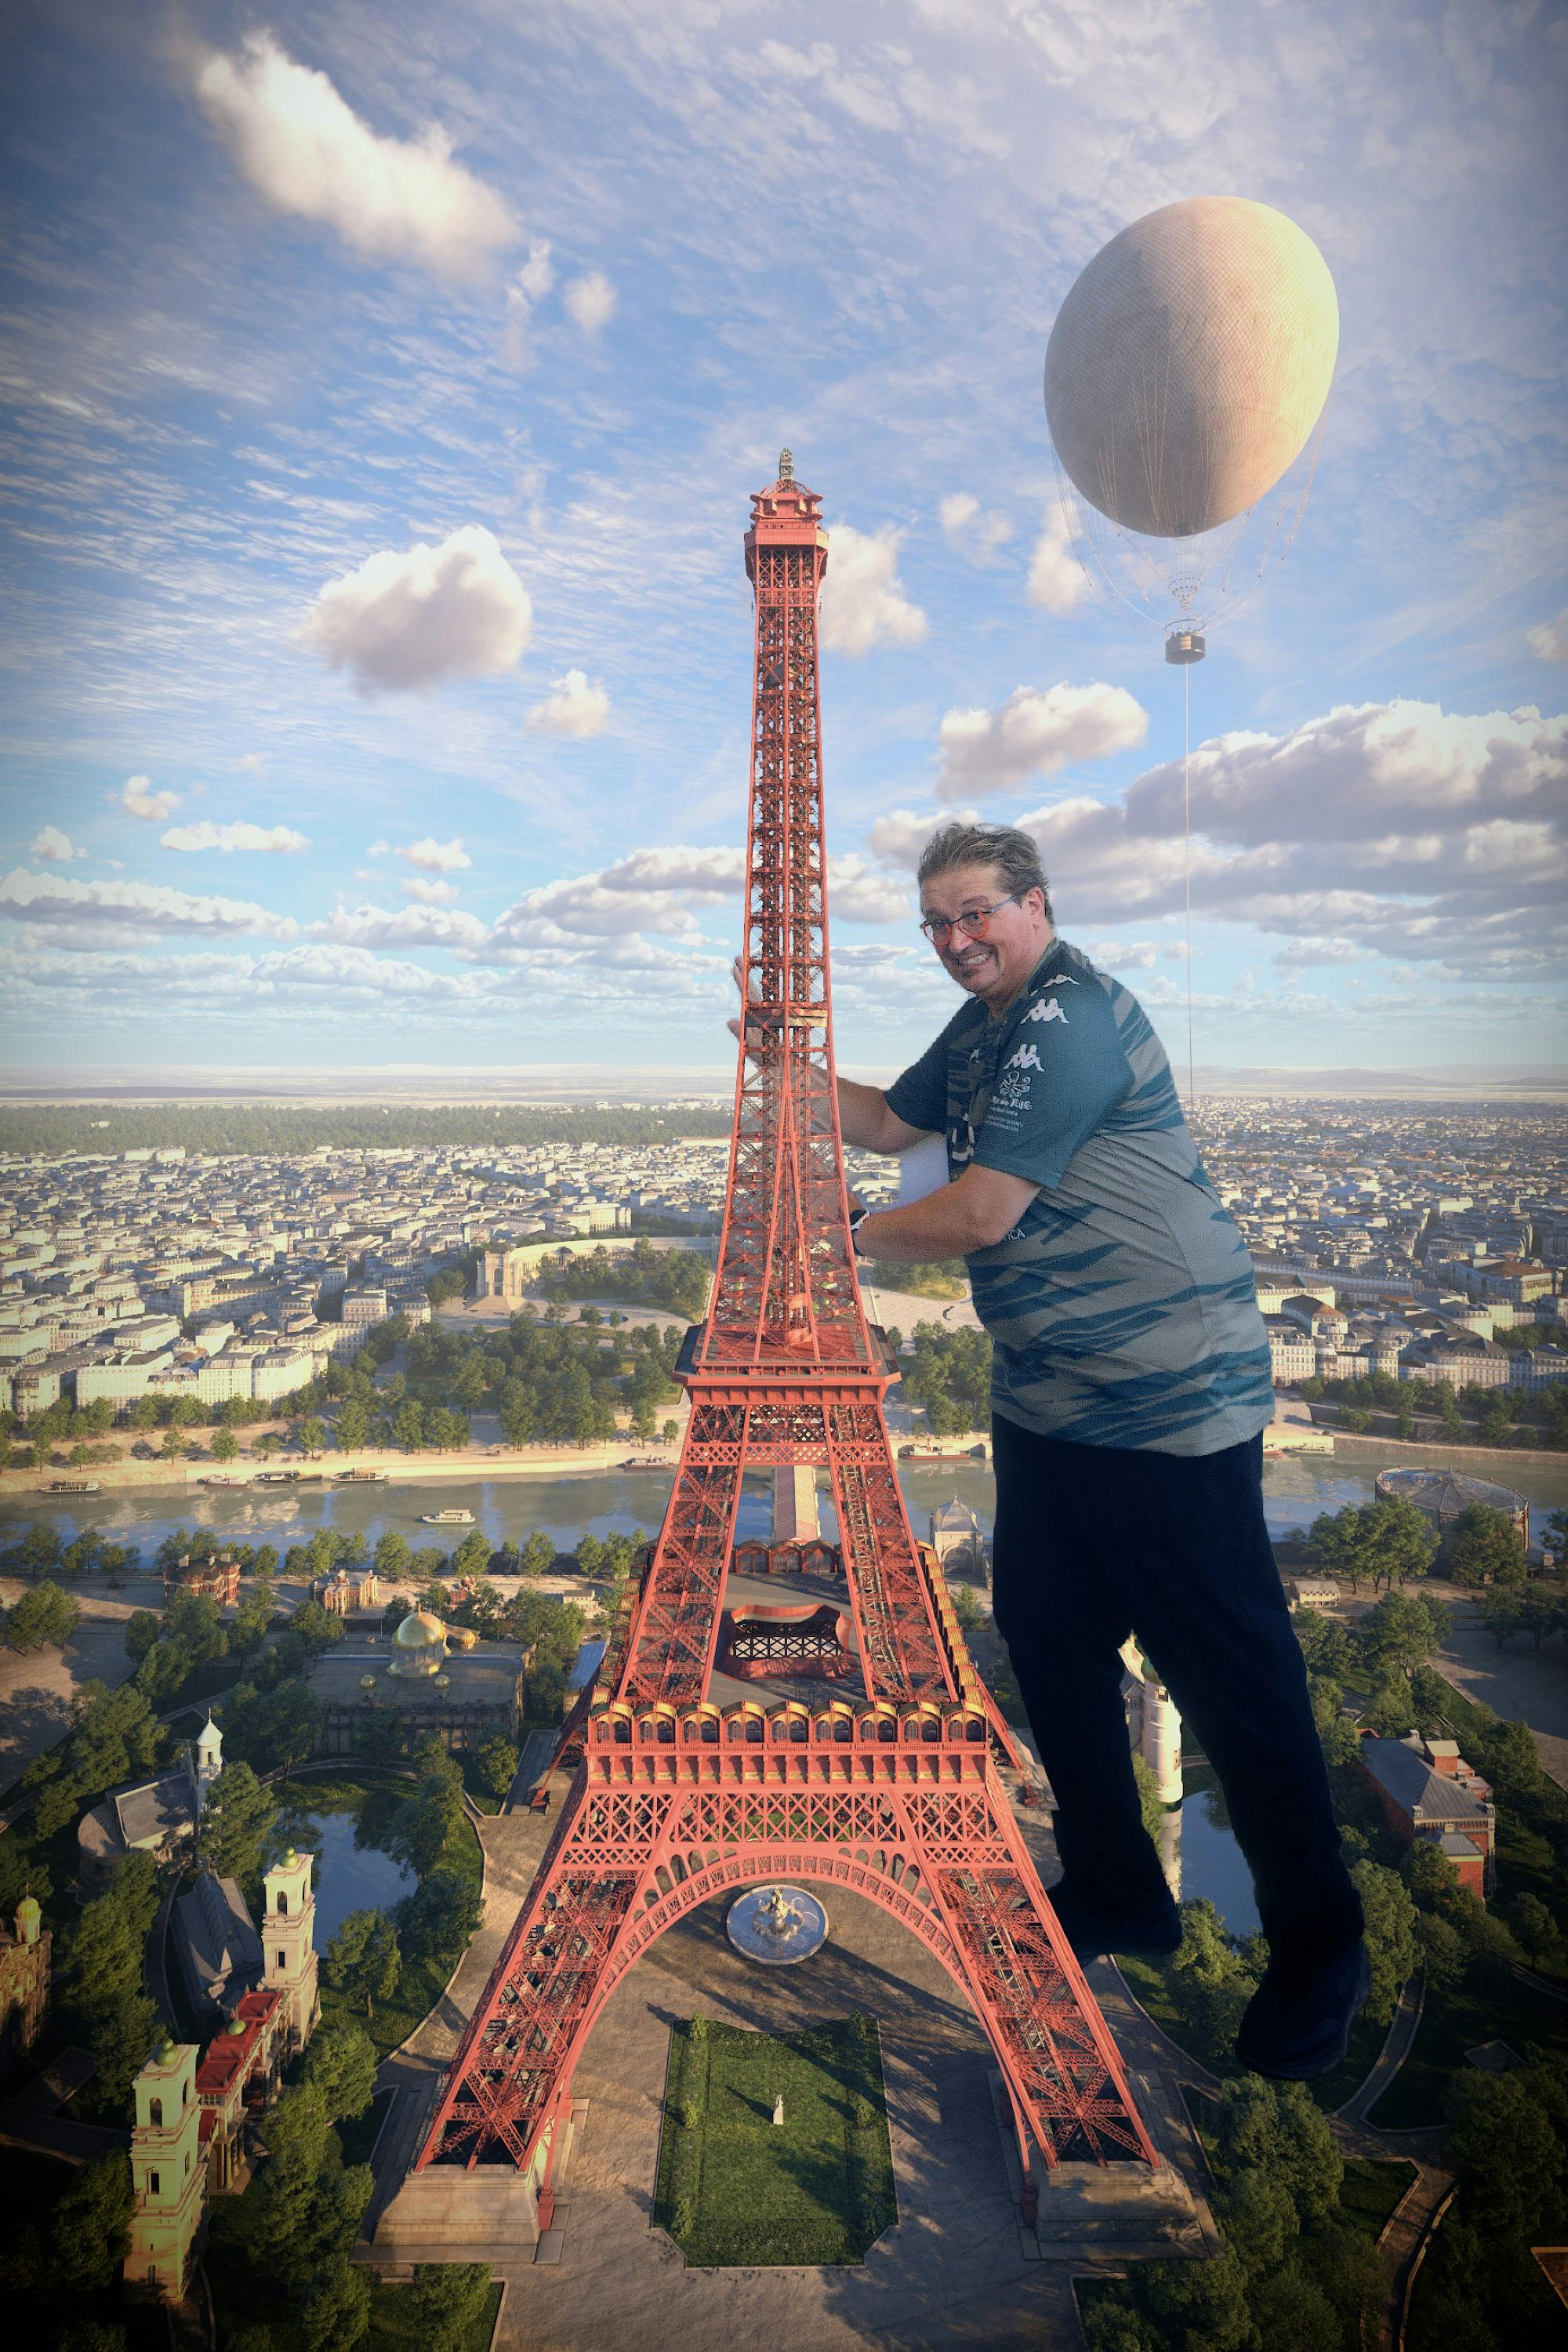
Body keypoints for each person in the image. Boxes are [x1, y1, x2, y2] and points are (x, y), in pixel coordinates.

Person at [830, 819, 1367, 2081]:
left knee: (1231, 1677)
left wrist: (826, 1241)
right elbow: (884, 1122)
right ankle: (1121, 1888)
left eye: (977, 911)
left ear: (1036, 903)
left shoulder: (1066, 1017)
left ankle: (1321, 1948)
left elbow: (979, 1212)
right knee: (1050, 1642)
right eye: (938, 922)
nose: (957, 938)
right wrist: (773, 1057)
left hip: (1167, 1396)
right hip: (1052, 1397)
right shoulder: (988, 1027)